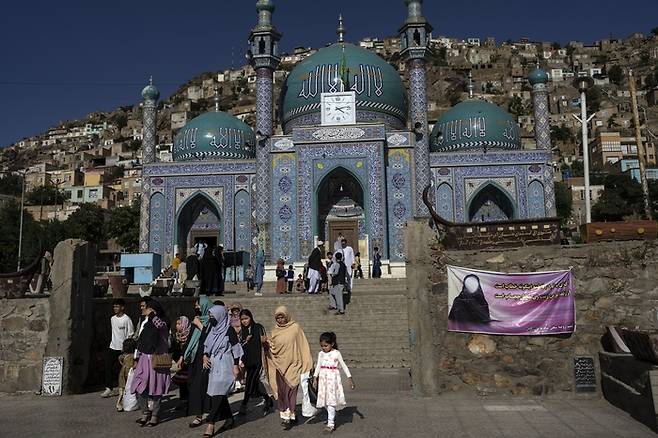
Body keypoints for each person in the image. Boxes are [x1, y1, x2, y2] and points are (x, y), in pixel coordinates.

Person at [265, 306, 314, 430]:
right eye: (278, 317)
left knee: (291, 391)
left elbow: (303, 345)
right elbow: (272, 348)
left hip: (293, 365)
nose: (280, 320)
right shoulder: (274, 331)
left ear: (287, 316)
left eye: (282, 317)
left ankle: (289, 414)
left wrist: (307, 363)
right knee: (282, 392)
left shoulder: (295, 328)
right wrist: (266, 343)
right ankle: (289, 415)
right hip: (279, 366)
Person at [202, 305, 244, 438]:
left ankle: (211, 424)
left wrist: (236, 366)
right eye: (210, 316)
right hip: (214, 366)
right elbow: (207, 346)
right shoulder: (213, 331)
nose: (211, 319)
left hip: (226, 364)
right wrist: (205, 356)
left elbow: (236, 349)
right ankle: (230, 418)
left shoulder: (229, 330)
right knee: (218, 393)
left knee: (219, 393)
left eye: (212, 316)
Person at [132, 297, 171, 427]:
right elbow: (141, 341)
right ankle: (145, 412)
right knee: (139, 385)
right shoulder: (146, 322)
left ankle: (155, 415)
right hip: (144, 358)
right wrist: (136, 358)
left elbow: (160, 326)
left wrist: (153, 314)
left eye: (146, 306)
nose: (143, 309)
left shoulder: (163, 321)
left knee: (156, 388)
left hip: (157, 360)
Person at [313, 332, 355, 434]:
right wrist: (315, 377)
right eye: (322, 346)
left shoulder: (336, 353)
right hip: (323, 379)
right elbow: (318, 366)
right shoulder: (321, 354)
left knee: (331, 401)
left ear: (332, 344)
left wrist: (349, 378)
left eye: (326, 345)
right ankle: (332, 414)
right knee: (325, 401)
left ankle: (330, 424)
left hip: (332, 378)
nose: (323, 348)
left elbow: (344, 366)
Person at [237, 309, 273, 416]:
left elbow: (264, 341)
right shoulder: (242, 331)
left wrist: (263, 340)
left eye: (246, 318)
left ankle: (244, 404)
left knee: (251, 382)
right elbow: (240, 347)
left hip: (258, 360)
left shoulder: (258, 327)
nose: (244, 321)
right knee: (253, 382)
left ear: (251, 318)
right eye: (242, 319)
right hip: (248, 361)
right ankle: (267, 400)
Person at [185, 296, 213, 428]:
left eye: (198, 304)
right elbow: (191, 340)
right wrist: (183, 356)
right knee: (194, 384)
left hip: (206, 358)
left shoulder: (212, 321)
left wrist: (200, 325)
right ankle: (200, 412)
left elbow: (209, 338)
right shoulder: (196, 320)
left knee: (203, 386)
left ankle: (201, 415)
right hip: (195, 358)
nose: (196, 307)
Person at [102, 298, 134, 399]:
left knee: (124, 369)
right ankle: (108, 388)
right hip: (113, 347)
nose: (115, 308)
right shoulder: (112, 319)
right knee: (108, 367)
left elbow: (130, 333)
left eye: (117, 306)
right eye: (114, 306)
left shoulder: (127, 319)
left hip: (123, 349)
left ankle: (126, 388)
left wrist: (127, 349)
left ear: (122, 307)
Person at [171, 316, 191, 409]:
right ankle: (183, 401)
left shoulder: (190, 335)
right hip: (180, 364)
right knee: (182, 384)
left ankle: (190, 402)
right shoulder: (176, 336)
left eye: (179, 324)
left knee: (189, 384)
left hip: (189, 363)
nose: (177, 326)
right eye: (177, 324)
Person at [116, 337, 137, 412]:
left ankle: (120, 404)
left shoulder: (123, 356)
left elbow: (121, 362)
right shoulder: (134, 356)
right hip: (131, 374)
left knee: (122, 391)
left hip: (123, 374)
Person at [229, 302, 245, 391]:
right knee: (235, 363)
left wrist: (237, 329)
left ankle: (241, 378)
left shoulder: (242, 318)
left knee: (241, 364)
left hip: (242, 343)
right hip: (233, 344)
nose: (236, 312)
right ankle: (237, 382)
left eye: (237, 310)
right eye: (234, 310)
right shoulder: (230, 319)